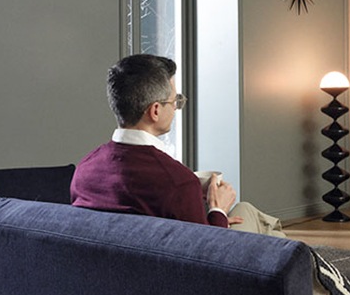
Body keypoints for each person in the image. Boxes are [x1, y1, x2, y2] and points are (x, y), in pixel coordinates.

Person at [71, 54, 284, 236]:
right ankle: (305, 272)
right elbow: (208, 251)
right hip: (177, 279)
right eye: (174, 102)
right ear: (155, 111)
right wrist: (218, 209)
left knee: (248, 211)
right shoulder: (177, 182)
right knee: (263, 225)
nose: (175, 109)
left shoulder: (85, 169)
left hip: (119, 272)